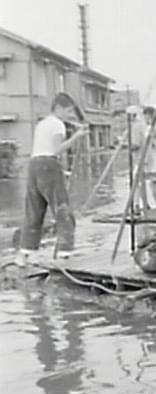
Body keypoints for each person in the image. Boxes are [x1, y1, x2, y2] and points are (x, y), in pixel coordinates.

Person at [14, 93, 89, 267]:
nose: (69, 115)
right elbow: (57, 149)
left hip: (34, 166)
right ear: (59, 108)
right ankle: (65, 253)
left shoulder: (43, 123)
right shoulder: (57, 125)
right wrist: (77, 137)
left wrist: (77, 126)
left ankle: (23, 254)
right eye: (68, 111)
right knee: (62, 208)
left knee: (33, 211)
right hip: (49, 164)